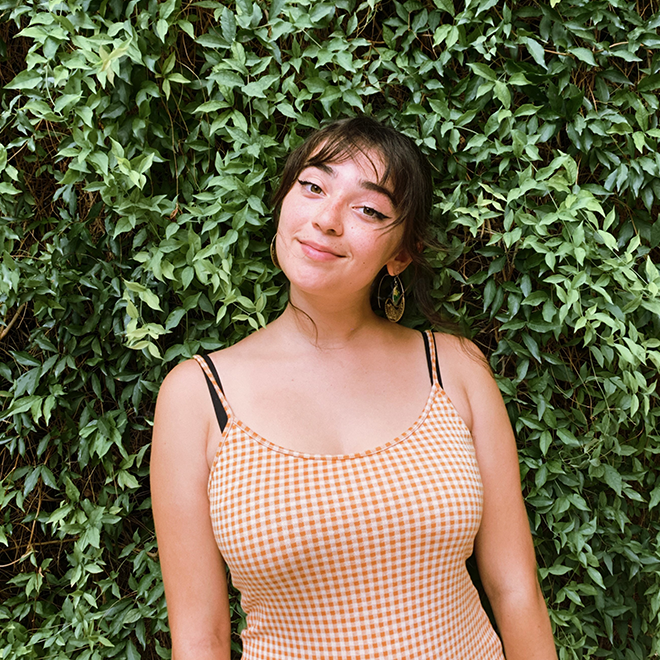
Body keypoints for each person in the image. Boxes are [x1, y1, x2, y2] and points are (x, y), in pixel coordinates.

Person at [150, 117, 558, 660]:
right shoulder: (197, 396)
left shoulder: (455, 368)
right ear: (282, 205)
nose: (326, 219)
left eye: (368, 209)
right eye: (313, 186)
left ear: (400, 254)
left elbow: (516, 592)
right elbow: (201, 639)